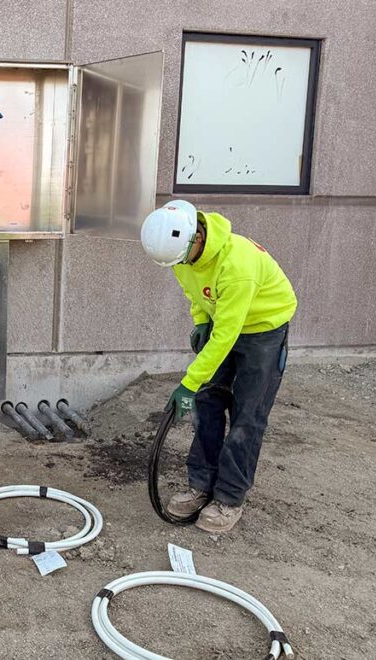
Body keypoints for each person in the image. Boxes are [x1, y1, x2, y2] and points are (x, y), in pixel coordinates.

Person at [140, 200, 296, 533]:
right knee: (206, 403)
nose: (179, 266)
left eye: (181, 259)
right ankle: (202, 484)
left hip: (263, 329)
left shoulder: (237, 265)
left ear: (196, 237)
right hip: (225, 318)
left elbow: (226, 336)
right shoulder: (183, 255)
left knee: (247, 416)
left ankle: (229, 497)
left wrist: (189, 382)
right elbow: (194, 292)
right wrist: (200, 321)